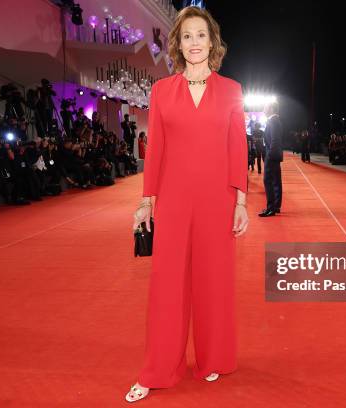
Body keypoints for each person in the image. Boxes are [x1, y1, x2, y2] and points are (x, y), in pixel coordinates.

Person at [128, 6, 249, 402]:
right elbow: (157, 149)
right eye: (186, 36)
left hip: (218, 198)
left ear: (212, 41)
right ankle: (159, 368)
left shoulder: (231, 89)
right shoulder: (162, 91)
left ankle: (214, 358)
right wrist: (147, 201)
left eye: (200, 35)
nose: (194, 43)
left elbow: (237, 146)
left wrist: (241, 201)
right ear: (177, 45)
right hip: (176, 199)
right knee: (167, 286)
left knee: (214, 281)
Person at [259, 99, 283, 217]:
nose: (264, 109)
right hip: (274, 155)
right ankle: (276, 205)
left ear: (271, 109)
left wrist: (269, 155)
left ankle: (271, 208)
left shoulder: (273, 121)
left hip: (272, 155)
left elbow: (275, 140)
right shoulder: (275, 120)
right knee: (276, 181)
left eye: (265, 107)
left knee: (268, 181)